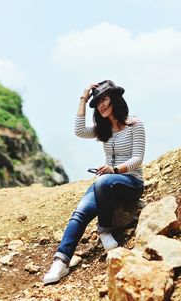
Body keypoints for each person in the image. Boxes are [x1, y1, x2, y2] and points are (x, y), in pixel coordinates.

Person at [43, 80, 145, 284]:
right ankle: (60, 262)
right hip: (106, 184)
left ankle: (104, 230)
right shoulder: (103, 128)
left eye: (104, 99)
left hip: (131, 183)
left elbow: (137, 159)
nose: (101, 105)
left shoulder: (135, 124)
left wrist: (114, 170)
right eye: (97, 102)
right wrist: (83, 98)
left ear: (115, 99)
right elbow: (79, 131)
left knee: (102, 183)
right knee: (80, 212)